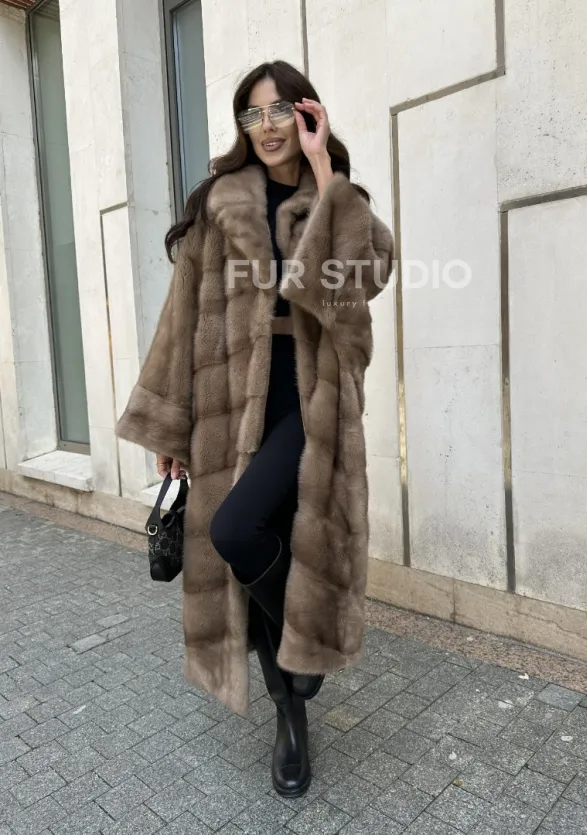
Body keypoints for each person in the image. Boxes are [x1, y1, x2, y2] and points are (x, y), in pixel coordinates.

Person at [116, 59, 394, 798]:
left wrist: (324, 171)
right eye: (253, 114)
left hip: (312, 400)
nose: (266, 127)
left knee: (241, 531)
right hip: (231, 403)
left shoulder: (335, 195)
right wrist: (171, 425)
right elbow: (181, 319)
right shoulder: (219, 203)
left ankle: (304, 655)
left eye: (280, 112)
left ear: (306, 115)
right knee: (244, 540)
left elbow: (367, 276)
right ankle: (290, 716)